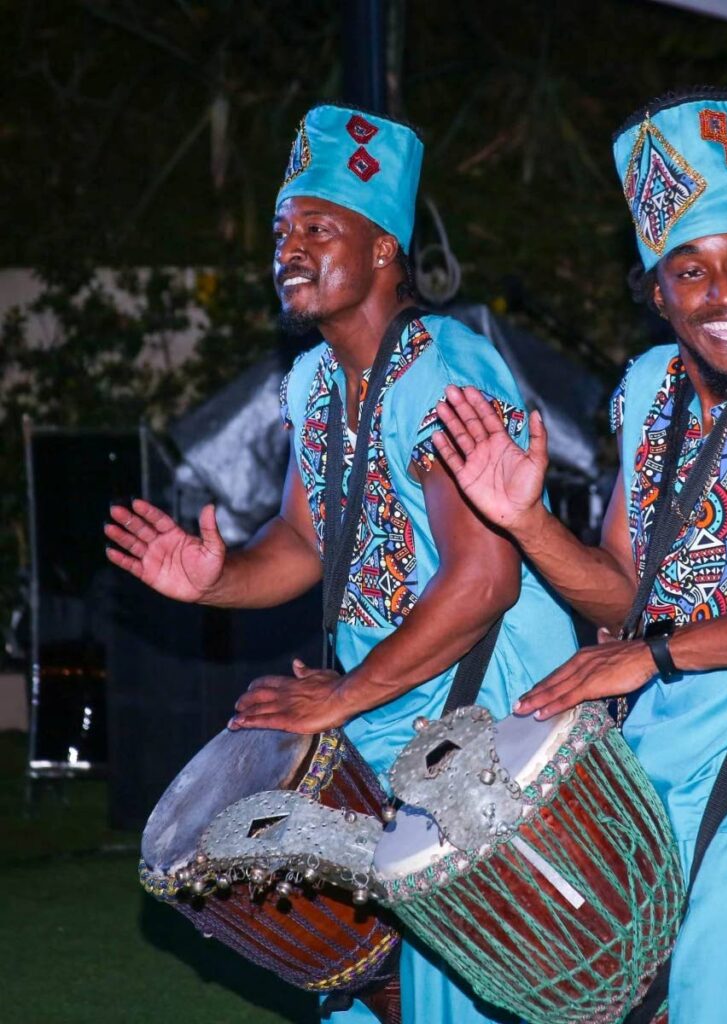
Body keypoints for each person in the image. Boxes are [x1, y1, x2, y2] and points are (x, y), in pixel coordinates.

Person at [432, 87, 727, 1024]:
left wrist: (652, 655)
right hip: (657, 759)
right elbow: (617, 596)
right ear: (655, 291)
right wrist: (526, 523)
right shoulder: (646, 389)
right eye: (690, 272)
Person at [104, 103, 577, 1024]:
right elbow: (305, 541)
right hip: (389, 702)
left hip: (487, 707)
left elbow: (486, 581)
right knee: (379, 989)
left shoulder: (445, 370)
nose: (290, 248)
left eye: (319, 228)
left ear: (384, 252)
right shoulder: (316, 380)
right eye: (283, 231)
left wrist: (343, 695)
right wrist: (217, 579)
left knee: (467, 988)